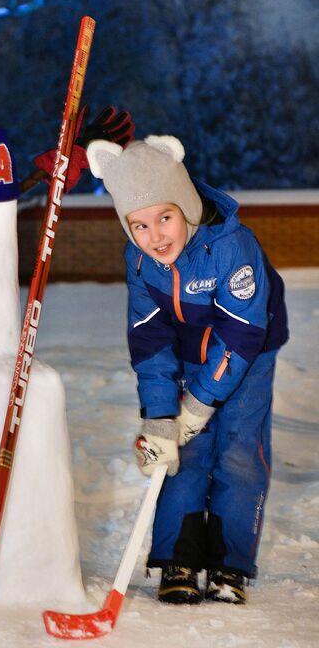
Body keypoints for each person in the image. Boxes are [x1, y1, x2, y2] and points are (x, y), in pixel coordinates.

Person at [87, 134, 288, 605]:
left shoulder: (231, 246)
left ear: (187, 207)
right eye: (138, 226)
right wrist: (160, 418)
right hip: (185, 354)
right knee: (182, 455)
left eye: (164, 217)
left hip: (248, 355)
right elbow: (149, 341)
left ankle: (229, 565)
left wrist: (199, 403)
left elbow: (240, 333)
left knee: (238, 453)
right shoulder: (140, 260)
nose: (155, 236)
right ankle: (178, 558)